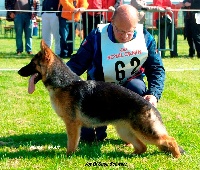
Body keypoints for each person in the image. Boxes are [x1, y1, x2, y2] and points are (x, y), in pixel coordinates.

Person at [66, 4, 166, 142]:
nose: (125, 36)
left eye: (129, 32)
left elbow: (156, 68)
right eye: (120, 31)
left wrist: (154, 94)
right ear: (112, 21)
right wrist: (56, 74)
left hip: (131, 88)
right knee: (89, 138)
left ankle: (132, 130)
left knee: (137, 88)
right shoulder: (97, 36)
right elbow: (77, 63)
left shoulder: (145, 38)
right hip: (100, 90)